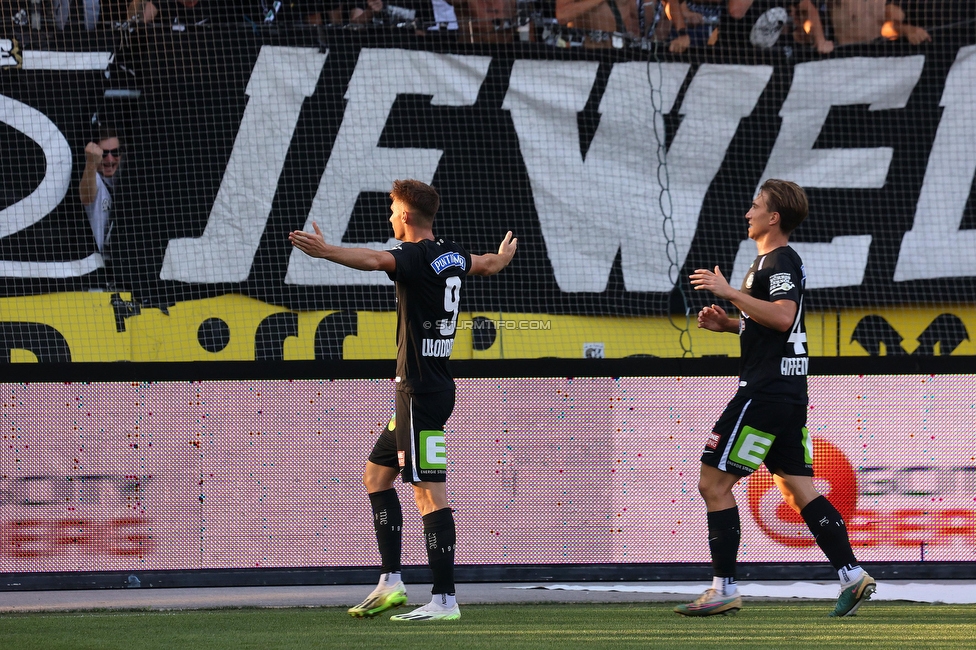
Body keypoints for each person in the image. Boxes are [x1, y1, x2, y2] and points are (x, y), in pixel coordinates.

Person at [289, 180, 517, 622]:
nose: (390, 217)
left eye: (393, 211)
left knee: (429, 494)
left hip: (421, 394)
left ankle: (445, 600)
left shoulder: (412, 257)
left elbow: (375, 259)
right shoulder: (451, 255)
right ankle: (391, 582)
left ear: (408, 217)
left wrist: (326, 251)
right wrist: (501, 260)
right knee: (377, 475)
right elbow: (485, 264)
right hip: (422, 391)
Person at [679, 179, 875, 617]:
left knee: (713, 484)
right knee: (797, 488)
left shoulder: (778, 261)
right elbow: (775, 324)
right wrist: (730, 324)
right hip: (787, 395)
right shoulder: (770, 263)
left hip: (763, 393)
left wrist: (729, 292)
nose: (747, 213)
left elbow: (784, 317)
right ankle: (851, 575)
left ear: (774, 217)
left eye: (755, 206)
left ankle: (723, 587)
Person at [80, 128, 122, 286]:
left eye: (115, 152)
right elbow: (86, 197)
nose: (110, 159)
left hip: (121, 268)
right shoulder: (94, 178)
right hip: (97, 271)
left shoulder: (125, 178)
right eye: (104, 154)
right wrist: (91, 163)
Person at [827, 0, 929, 46]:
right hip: (846, 55)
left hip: (877, 55)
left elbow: (891, 25)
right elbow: (811, 8)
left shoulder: (885, 3)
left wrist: (907, 29)